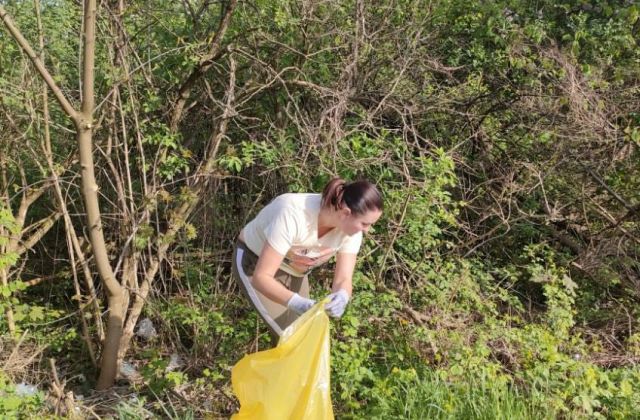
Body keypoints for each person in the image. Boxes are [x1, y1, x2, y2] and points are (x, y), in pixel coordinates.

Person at [231, 178, 383, 341]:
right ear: (346, 213)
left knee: (309, 336)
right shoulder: (292, 213)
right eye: (365, 224)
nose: (367, 231)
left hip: (295, 271)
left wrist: (342, 295)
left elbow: (344, 278)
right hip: (254, 264)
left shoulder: (352, 231)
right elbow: (261, 278)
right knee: (292, 339)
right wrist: (298, 303)